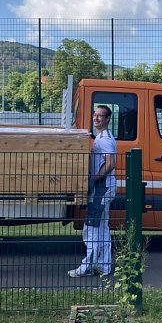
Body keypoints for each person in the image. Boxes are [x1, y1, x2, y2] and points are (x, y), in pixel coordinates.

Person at [69, 104, 116, 277]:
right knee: (102, 229)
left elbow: (111, 163)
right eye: (95, 115)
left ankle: (86, 266)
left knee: (92, 228)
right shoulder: (101, 137)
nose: (95, 118)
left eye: (100, 116)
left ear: (108, 119)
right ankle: (104, 266)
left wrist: (95, 178)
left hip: (102, 190)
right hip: (103, 189)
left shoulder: (105, 139)